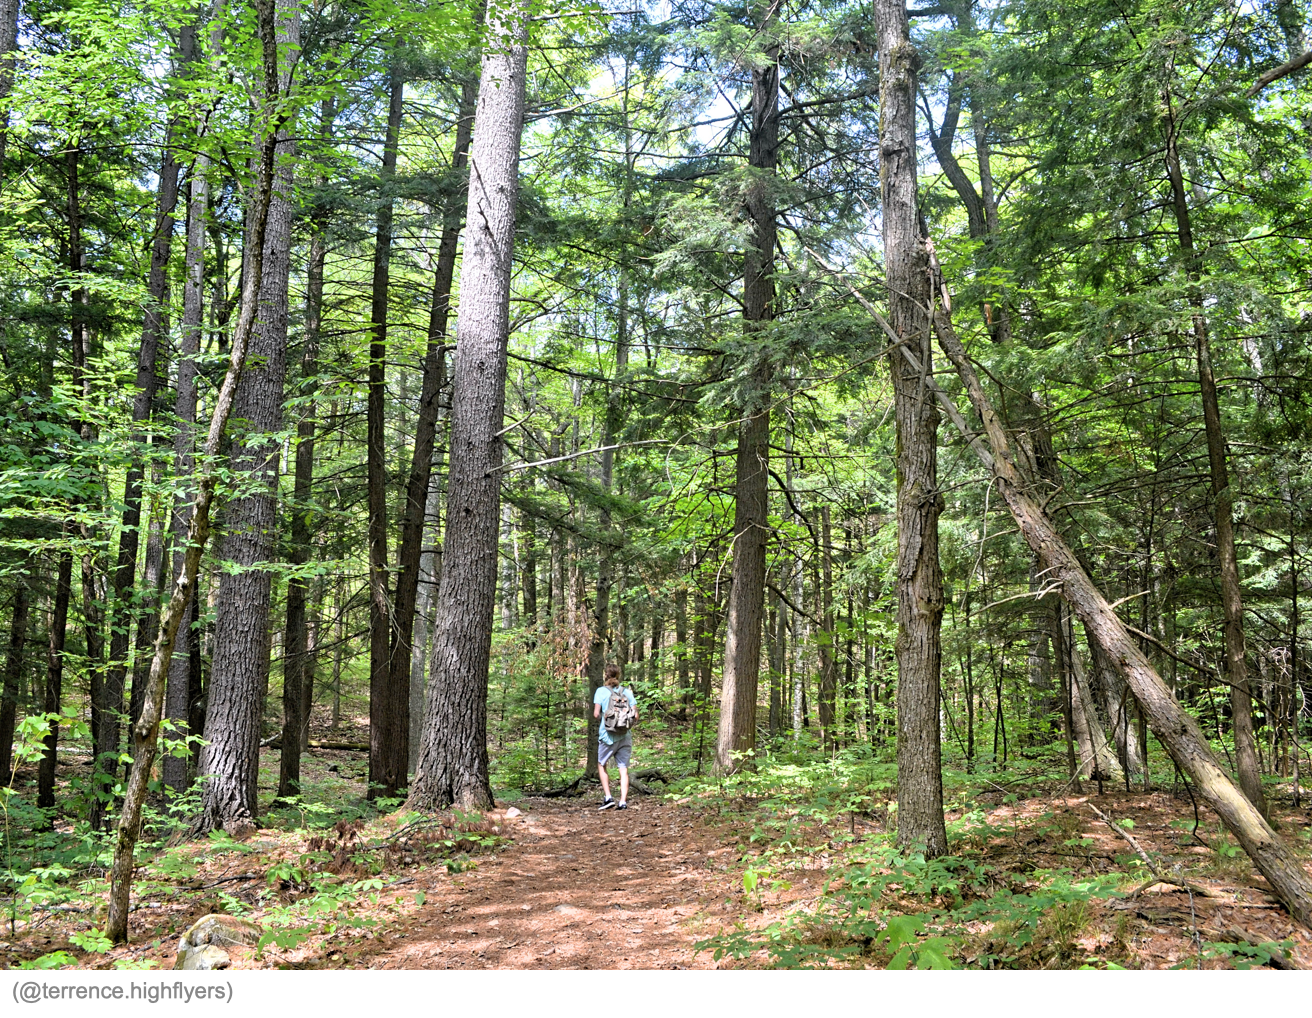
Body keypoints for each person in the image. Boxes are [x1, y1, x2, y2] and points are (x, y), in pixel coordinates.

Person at [593, 664, 638, 810]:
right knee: (623, 768)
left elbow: (595, 713)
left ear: (605, 675)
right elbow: (636, 715)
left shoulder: (601, 691)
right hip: (625, 735)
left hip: (607, 735)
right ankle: (623, 802)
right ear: (618, 675)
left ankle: (608, 797)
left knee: (601, 764)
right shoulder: (628, 692)